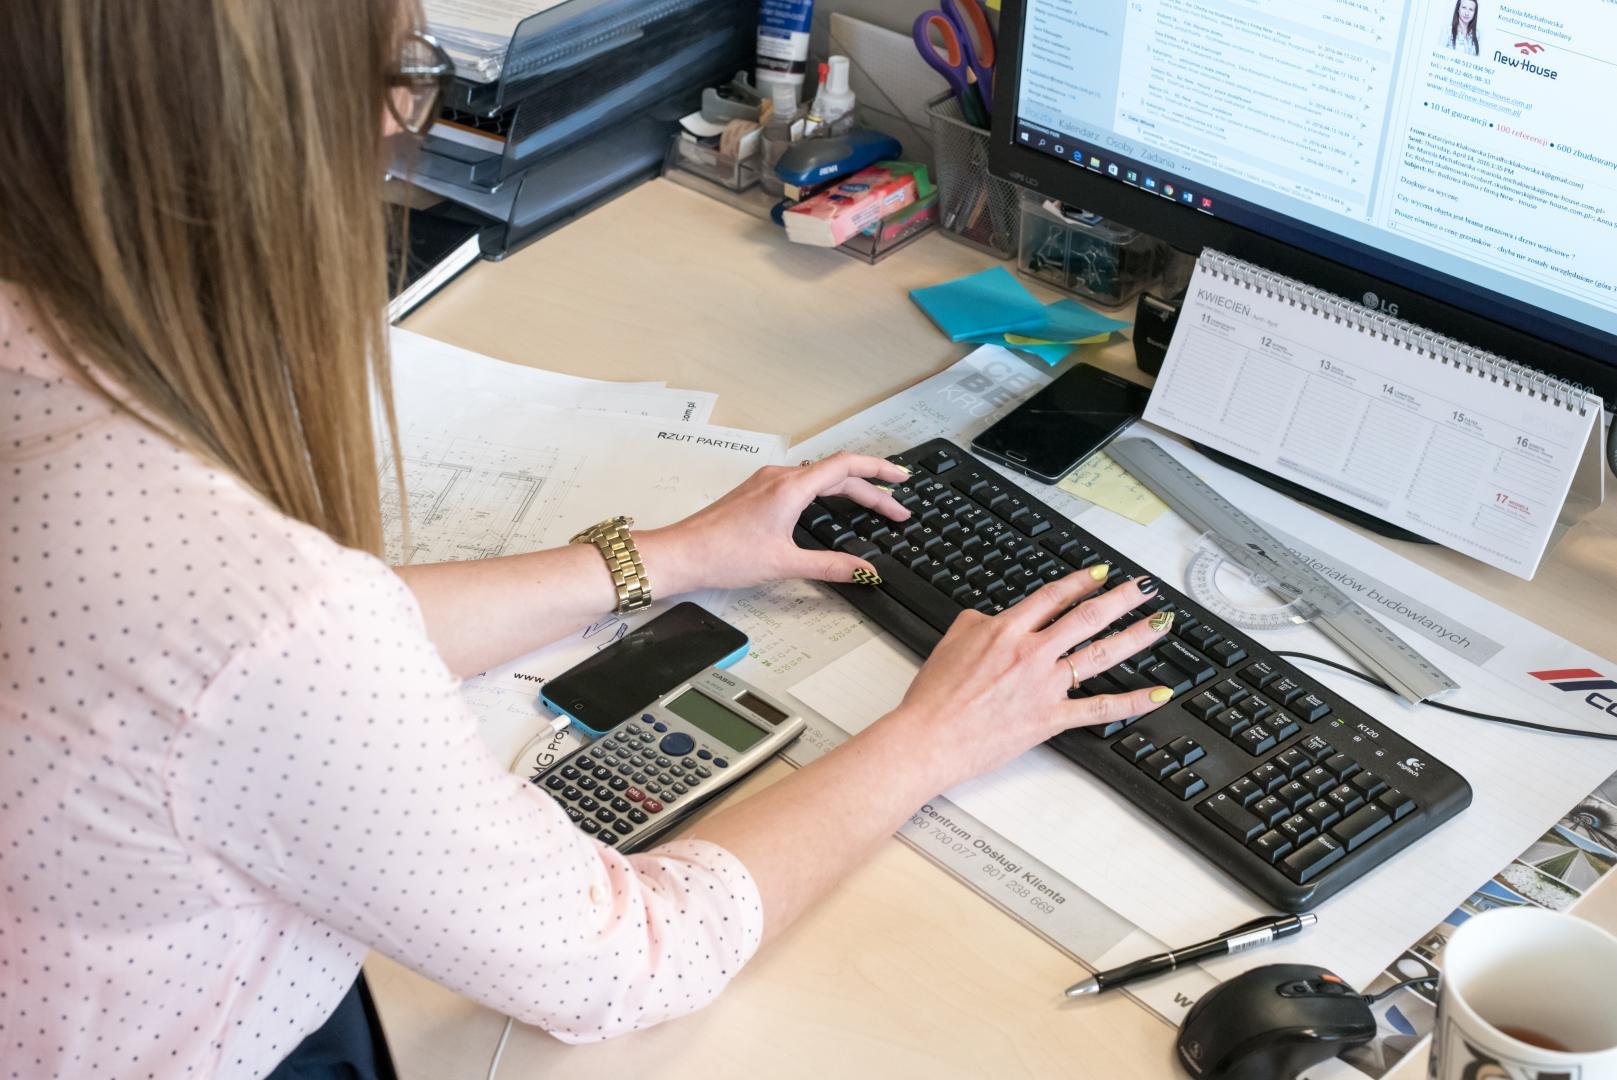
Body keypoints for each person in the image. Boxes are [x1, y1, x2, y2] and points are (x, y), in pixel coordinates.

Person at [0, 4, 1173, 1078]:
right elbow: (631, 960)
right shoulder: (253, 604)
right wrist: (933, 739)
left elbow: (229, 676)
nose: (409, 119)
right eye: (411, 75)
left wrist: (665, 556)